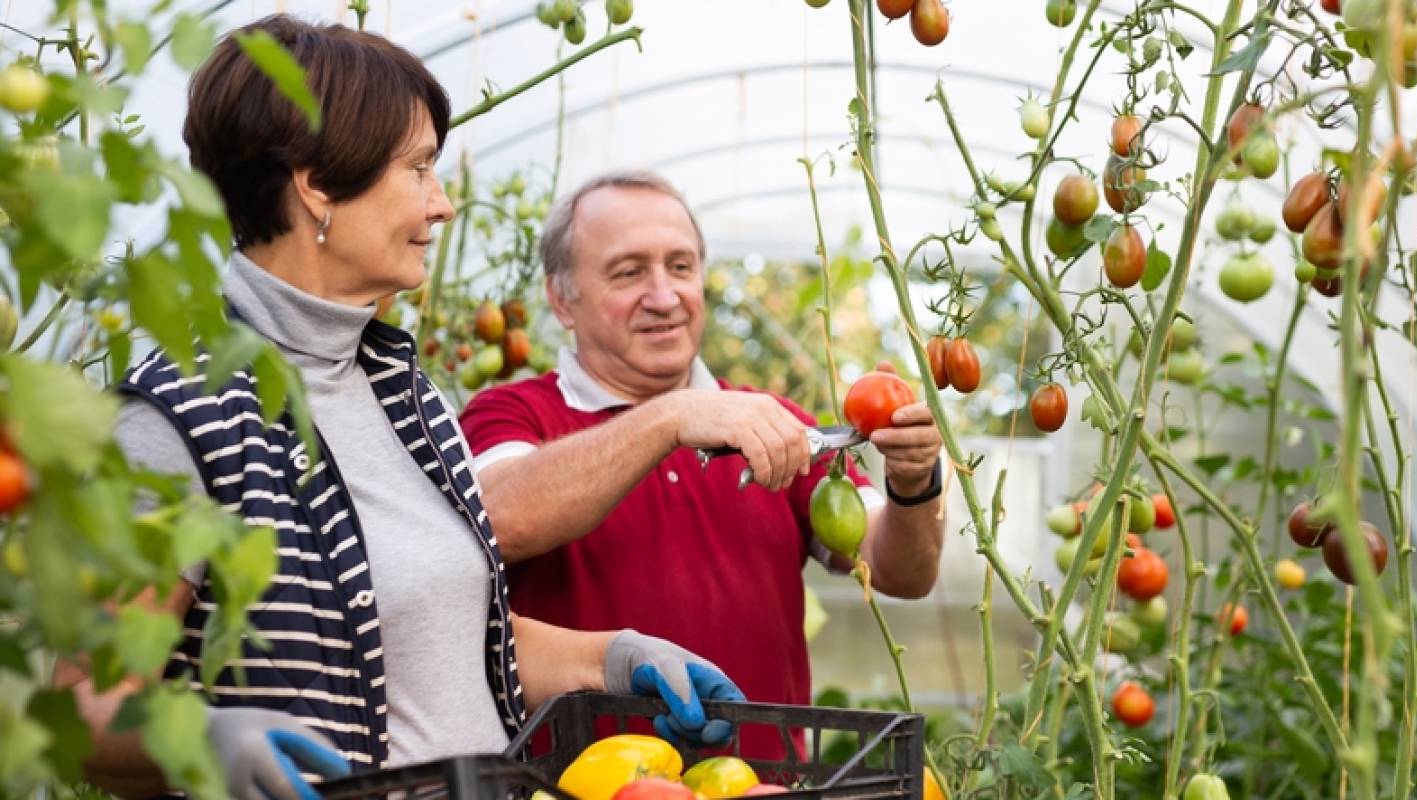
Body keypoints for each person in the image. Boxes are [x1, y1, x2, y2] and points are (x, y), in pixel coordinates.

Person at [68, 18, 741, 800]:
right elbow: (89, 705)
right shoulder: (178, 421)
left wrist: (614, 659)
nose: (442, 203)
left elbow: (440, 639)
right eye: (419, 169)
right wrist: (203, 736)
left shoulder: (401, 391)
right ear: (317, 182)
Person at [459, 171, 948, 759]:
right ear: (562, 299)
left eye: (682, 267)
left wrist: (913, 484)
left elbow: (900, 572)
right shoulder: (512, 414)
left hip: (761, 787)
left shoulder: (773, 423)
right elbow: (502, 520)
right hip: (587, 790)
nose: (665, 297)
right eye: (629, 271)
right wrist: (671, 418)